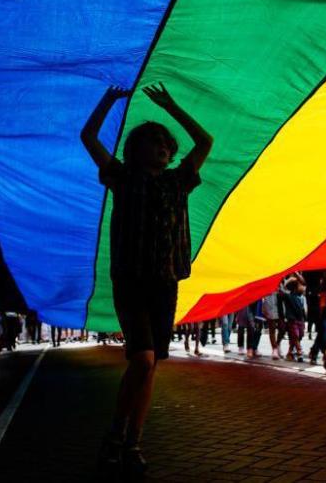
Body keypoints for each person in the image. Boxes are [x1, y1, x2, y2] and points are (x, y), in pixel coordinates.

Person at [82, 82, 212, 478]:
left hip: (165, 282)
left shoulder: (179, 181)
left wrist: (171, 105)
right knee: (142, 358)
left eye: (164, 144)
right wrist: (109, 100)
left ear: (170, 153)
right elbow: (88, 136)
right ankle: (118, 436)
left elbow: (205, 140)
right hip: (131, 281)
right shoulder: (121, 178)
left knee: (149, 364)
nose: (159, 148)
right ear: (134, 150)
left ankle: (130, 442)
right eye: (150, 142)